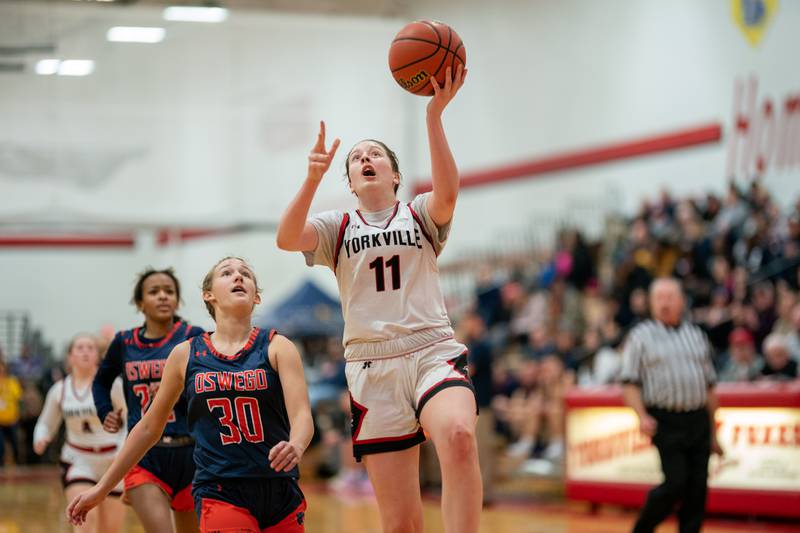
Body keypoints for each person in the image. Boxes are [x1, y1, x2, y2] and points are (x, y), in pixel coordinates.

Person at [276, 65, 480, 533]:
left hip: (431, 351)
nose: (365, 159)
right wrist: (310, 179)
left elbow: (448, 192)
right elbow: (287, 238)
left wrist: (434, 116)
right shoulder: (337, 227)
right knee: (401, 523)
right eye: (356, 158)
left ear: (394, 176)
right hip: (371, 366)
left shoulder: (420, 213)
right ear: (350, 181)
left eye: (376, 155)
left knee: (460, 436)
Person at [68, 257, 314, 532]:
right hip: (220, 488)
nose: (238, 276)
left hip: (280, 487)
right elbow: (148, 427)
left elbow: (302, 414)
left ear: (256, 297)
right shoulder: (186, 353)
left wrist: (297, 445)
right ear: (208, 295)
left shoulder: (278, 346)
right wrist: (102, 489)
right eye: (227, 272)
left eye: (245, 273)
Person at [92, 268, 203, 533]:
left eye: (169, 291)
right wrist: (104, 410)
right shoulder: (123, 342)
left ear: (177, 300)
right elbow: (100, 381)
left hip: (193, 454)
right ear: (140, 303)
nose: (163, 296)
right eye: (154, 292)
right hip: (145, 455)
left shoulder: (193, 335)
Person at [621, 278, 724, 533]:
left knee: (698, 487)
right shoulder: (640, 336)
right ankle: (642, 528)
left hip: (698, 418)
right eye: (659, 298)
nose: (664, 303)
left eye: (669, 297)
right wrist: (641, 415)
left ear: (682, 301)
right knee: (676, 482)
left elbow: (710, 388)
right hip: (665, 419)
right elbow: (629, 384)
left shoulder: (696, 335)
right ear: (651, 303)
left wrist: (714, 432)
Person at [34, 334, 127, 533]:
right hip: (78, 460)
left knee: (110, 529)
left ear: (98, 355)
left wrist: (123, 449)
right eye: (80, 347)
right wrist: (41, 437)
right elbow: (45, 423)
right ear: (70, 357)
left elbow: (131, 421)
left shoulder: (114, 385)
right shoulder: (59, 390)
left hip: (113, 461)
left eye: (90, 347)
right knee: (85, 523)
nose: (85, 351)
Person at [0, 359, 22, 465]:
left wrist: (18, 415)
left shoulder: (12, 382)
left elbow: (18, 399)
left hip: (12, 419)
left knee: (15, 444)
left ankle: (18, 463)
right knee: (1, 446)